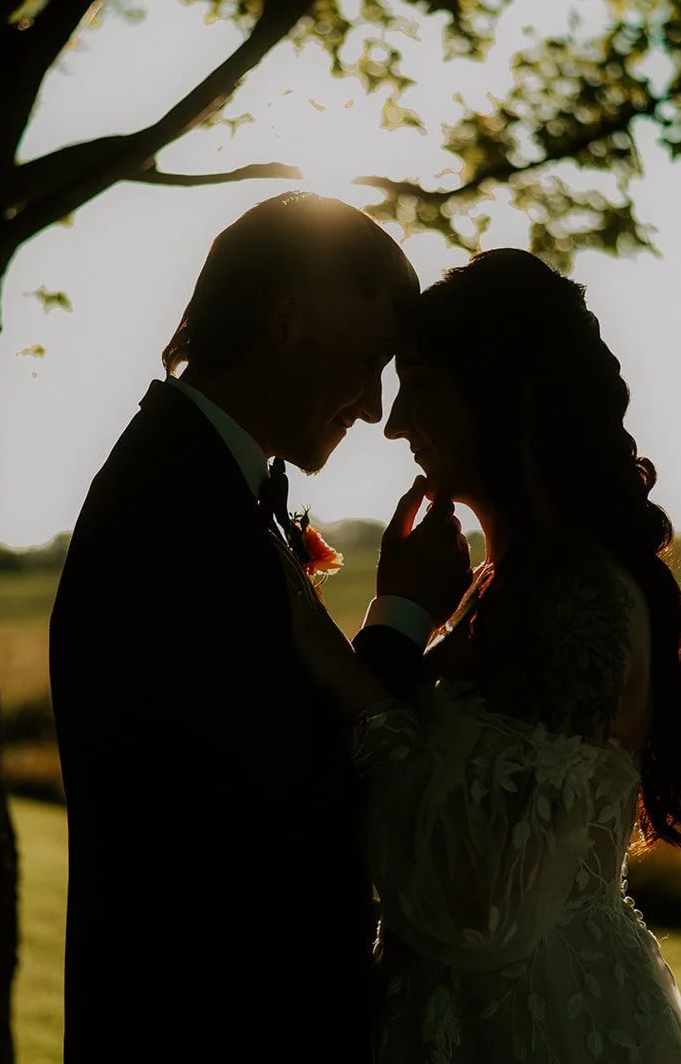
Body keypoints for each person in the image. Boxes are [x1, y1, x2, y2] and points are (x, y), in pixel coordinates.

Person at [47, 192, 473, 1062]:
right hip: (216, 1019)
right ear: (285, 322)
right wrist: (400, 621)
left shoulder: (200, 480)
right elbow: (300, 791)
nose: (370, 408)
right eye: (369, 360)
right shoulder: (176, 509)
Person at [288, 248, 681, 1063]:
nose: (394, 421)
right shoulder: (504, 586)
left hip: (538, 1024)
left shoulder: (572, 596)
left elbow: (485, 901)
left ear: (502, 395)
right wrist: (405, 617)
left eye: (421, 383)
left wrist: (340, 671)